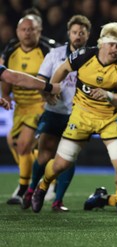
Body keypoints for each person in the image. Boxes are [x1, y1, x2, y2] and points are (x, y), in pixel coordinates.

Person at [30, 22, 117, 215]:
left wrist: (109, 96)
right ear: (102, 43)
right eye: (112, 44)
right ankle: (42, 187)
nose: (115, 49)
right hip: (82, 115)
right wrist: (52, 87)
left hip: (109, 118)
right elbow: (62, 69)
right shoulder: (84, 55)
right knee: (61, 164)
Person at [21, 15, 91, 212]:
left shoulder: (93, 58)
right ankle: (31, 189)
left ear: (88, 35)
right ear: (69, 33)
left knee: (69, 158)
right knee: (44, 156)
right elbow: (41, 80)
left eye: (82, 33)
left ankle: (57, 201)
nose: (78, 36)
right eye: (75, 32)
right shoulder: (54, 54)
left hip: (78, 116)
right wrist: (45, 94)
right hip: (55, 112)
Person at [1, 15, 56, 204]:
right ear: (17, 32)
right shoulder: (10, 51)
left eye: (31, 29)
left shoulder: (47, 50)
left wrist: (50, 92)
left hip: (40, 105)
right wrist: (6, 96)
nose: (27, 33)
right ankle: (43, 180)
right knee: (13, 141)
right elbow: (7, 77)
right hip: (21, 106)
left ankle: (24, 187)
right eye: (23, 29)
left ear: (39, 31)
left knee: (24, 143)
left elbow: (57, 76)